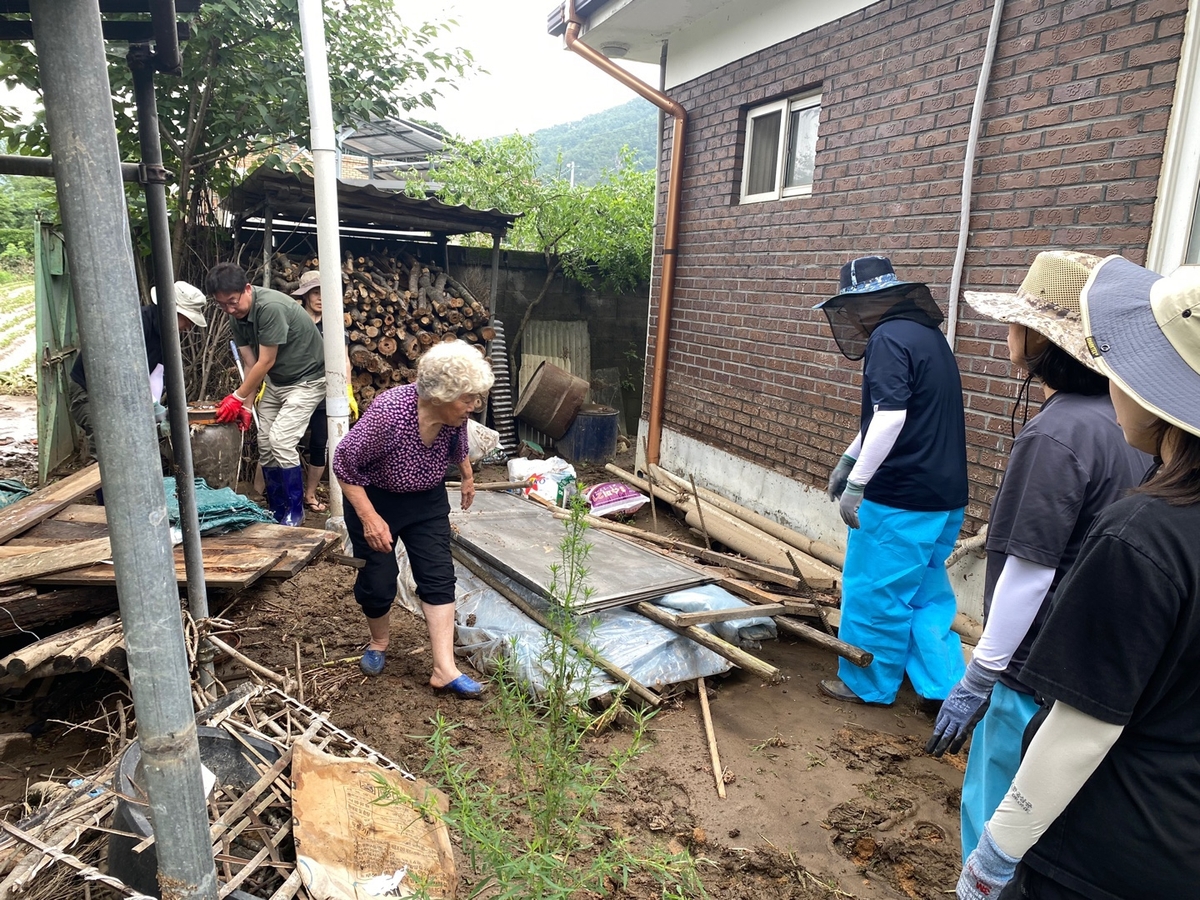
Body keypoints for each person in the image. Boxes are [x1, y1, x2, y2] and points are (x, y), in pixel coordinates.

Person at [957, 258, 1200, 900]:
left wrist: (996, 854)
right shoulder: (1139, 465)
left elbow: (1084, 725)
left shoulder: (1139, 525)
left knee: (1001, 789)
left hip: (1108, 842)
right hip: (1181, 831)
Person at [926, 251, 1151, 860]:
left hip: (1032, 670)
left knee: (998, 823)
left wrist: (981, 675)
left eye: (1016, 323)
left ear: (1042, 340)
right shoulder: (1128, 424)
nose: (1008, 334)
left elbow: (1029, 569)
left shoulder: (1056, 436)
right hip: (1091, 665)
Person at [815, 256, 968, 706]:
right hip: (945, 497)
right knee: (925, 595)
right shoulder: (927, 337)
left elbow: (891, 417)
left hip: (900, 500)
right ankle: (945, 688)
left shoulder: (885, 339)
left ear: (864, 304)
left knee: (875, 594)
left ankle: (867, 684)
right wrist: (848, 456)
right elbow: (894, 414)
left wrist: (858, 483)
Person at [332, 339, 493, 693]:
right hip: (375, 499)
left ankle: (444, 668)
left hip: (427, 501)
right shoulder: (389, 415)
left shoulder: (453, 417)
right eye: (468, 398)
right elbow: (343, 463)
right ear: (440, 394)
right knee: (379, 582)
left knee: (438, 575)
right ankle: (378, 643)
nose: (475, 406)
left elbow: (459, 445)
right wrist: (370, 518)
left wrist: (467, 477)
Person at [207, 262, 325, 526]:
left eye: (233, 302)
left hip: (308, 380)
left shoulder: (270, 308)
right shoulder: (235, 317)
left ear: (247, 289)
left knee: (281, 441)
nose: (229, 309)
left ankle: (295, 513)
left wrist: (236, 398)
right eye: (222, 304)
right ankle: (277, 509)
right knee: (265, 443)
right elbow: (250, 364)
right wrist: (247, 407)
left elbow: (265, 361)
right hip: (277, 382)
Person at [69, 280, 208, 461]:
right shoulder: (133, 324)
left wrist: (157, 412)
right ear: (171, 310)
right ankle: (102, 489)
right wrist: (151, 405)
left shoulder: (166, 337)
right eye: (187, 320)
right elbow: (122, 373)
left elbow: (157, 375)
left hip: (121, 394)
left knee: (131, 449)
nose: (189, 327)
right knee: (106, 445)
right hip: (89, 390)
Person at [291, 269, 357, 512]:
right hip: (294, 389)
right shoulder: (294, 319)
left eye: (323, 292)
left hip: (324, 392)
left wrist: (347, 391)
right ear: (305, 295)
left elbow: (345, 361)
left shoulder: (334, 323)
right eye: (315, 292)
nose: (320, 298)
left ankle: (309, 495)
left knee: (319, 443)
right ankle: (267, 493)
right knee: (283, 439)